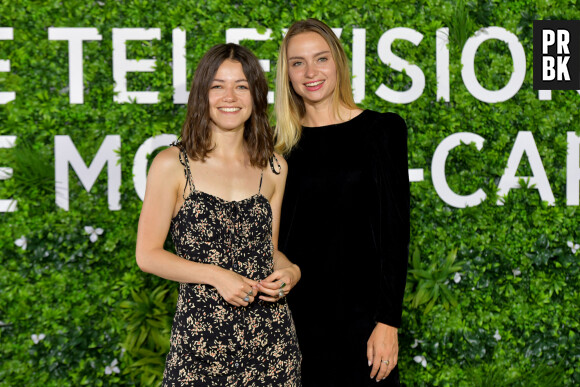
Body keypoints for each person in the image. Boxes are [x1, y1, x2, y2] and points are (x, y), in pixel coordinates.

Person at [136, 43, 302, 386]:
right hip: (199, 348)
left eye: (241, 86)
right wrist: (217, 276)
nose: (230, 96)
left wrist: (291, 271)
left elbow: (267, 251)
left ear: (256, 96)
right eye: (218, 85)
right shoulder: (171, 164)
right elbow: (148, 255)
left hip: (271, 347)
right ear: (202, 94)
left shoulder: (274, 167)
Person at [275, 19, 410, 386]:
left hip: (364, 323)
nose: (310, 72)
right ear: (286, 73)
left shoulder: (383, 130)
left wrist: (388, 321)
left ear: (338, 63)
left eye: (320, 59)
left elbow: (395, 233)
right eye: (297, 62)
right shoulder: (276, 146)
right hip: (292, 319)